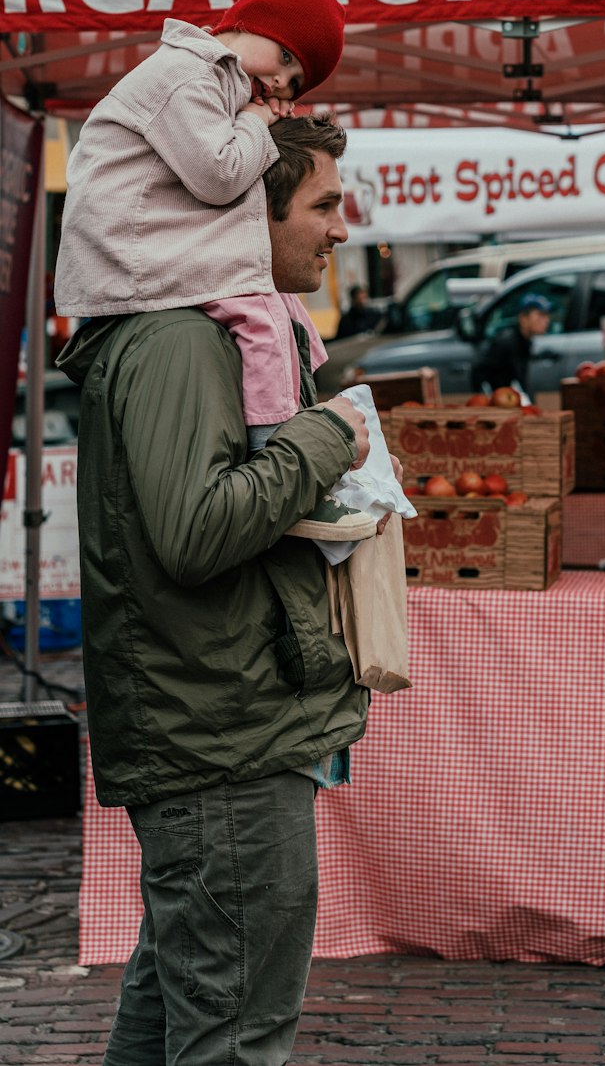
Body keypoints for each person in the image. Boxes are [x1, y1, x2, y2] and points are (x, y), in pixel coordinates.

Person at [57, 115, 399, 1064]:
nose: (342, 227)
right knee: (236, 1034)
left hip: (220, 724)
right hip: (220, 739)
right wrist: (327, 438)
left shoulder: (212, 331)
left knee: (179, 1008)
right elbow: (198, 530)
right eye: (323, 204)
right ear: (249, 210)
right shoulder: (181, 339)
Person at [54, 0, 371, 542]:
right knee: (265, 315)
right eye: (285, 59)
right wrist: (254, 122)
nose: (279, 84)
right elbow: (220, 174)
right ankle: (280, 447)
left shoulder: (210, 85)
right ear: (249, 26)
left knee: (277, 315)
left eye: (295, 83)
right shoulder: (185, 75)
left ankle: (289, 451)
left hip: (140, 257)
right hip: (135, 259)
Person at [471, 292, 551, 400]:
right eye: (541, 315)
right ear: (523, 318)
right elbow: (482, 372)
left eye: (547, 315)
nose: (546, 320)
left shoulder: (524, 341)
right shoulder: (507, 342)